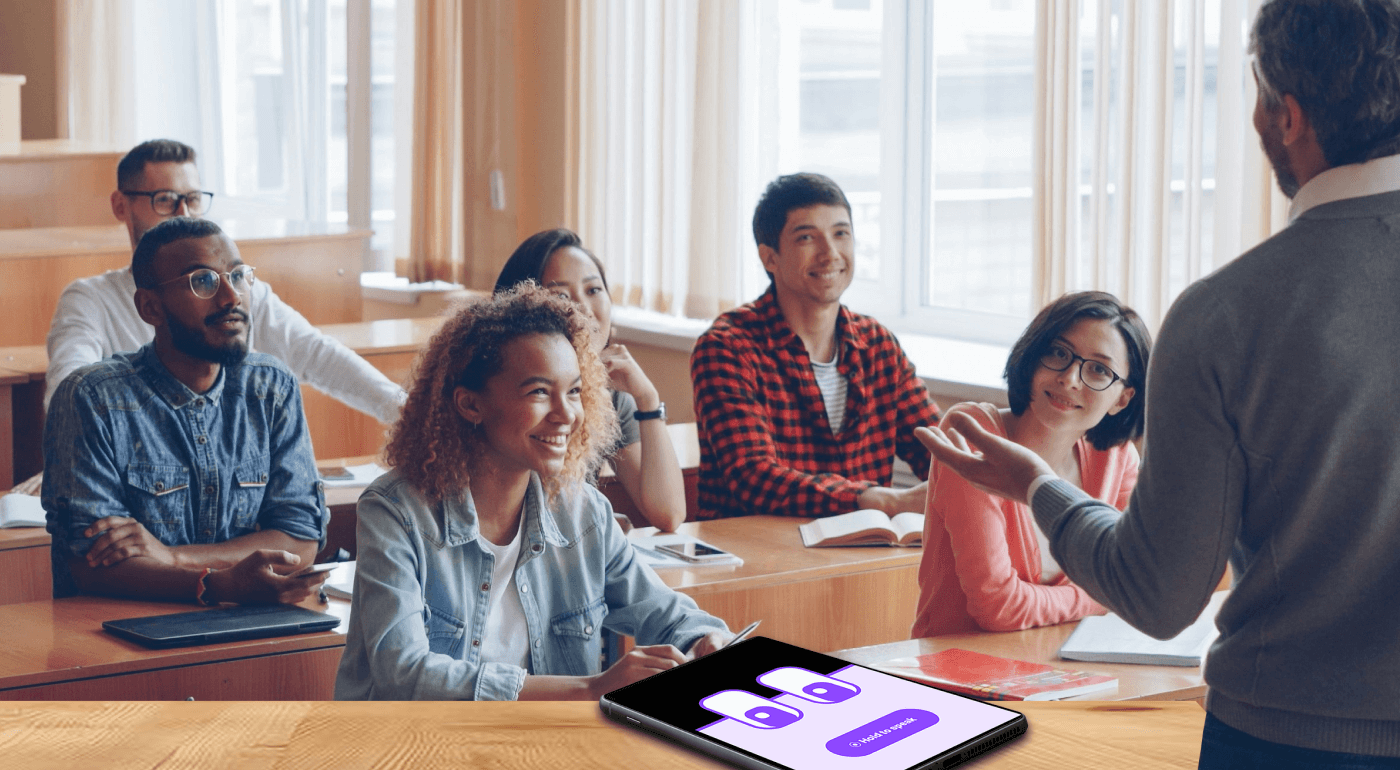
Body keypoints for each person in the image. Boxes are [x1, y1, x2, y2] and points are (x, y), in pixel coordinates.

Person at [916, 1, 1400, 766]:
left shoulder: (1227, 313)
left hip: (1286, 736)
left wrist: (1036, 487)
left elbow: (1160, 594)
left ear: (1288, 115)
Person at [334, 286, 730, 701]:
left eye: (574, 391)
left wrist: (705, 639)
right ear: (470, 405)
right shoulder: (395, 512)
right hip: (422, 739)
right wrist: (591, 688)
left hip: (547, 737)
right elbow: (404, 673)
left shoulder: (584, 514)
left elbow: (669, 616)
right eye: (539, 392)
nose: (566, 414)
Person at [42, 217, 329, 605]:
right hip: (112, 628)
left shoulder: (271, 386)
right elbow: (91, 563)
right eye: (203, 281)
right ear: (151, 307)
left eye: (238, 276)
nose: (231, 297)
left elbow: (300, 539)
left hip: (247, 617)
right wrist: (220, 584)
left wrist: (172, 557)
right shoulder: (92, 398)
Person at [40, 139, 403, 430]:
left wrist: (405, 413)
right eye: (164, 200)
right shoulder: (90, 299)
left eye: (192, 199)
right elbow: (69, 391)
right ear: (121, 206)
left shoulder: (239, 291)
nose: (183, 214)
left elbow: (315, 353)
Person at [690, 172, 941, 519]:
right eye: (806, 237)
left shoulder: (877, 345)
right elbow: (754, 478)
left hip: (863, 546)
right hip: (755, 547)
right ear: (770, 258)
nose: (830, 253)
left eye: (841, 233)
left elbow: (937, 451)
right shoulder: (727, 348)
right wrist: (882, 500)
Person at [911, 292, 1149, 638]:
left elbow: (1136, 580)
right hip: (957, 663)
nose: (1070, 378)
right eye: (1059, 353)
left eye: (1099, 369)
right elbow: (997, 607)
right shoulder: (974, 433)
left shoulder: (1115, 457)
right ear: (1034, 355)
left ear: (1123, 398)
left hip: (1062, 661)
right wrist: (1103, 597)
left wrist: (1116, 591)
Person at [494, 229, 686, 531]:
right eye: (561, 295)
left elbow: (668, 513)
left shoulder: (611, 397)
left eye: (594, 290)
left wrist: (647, 399)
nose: (583, 307)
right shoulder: (504, 390)